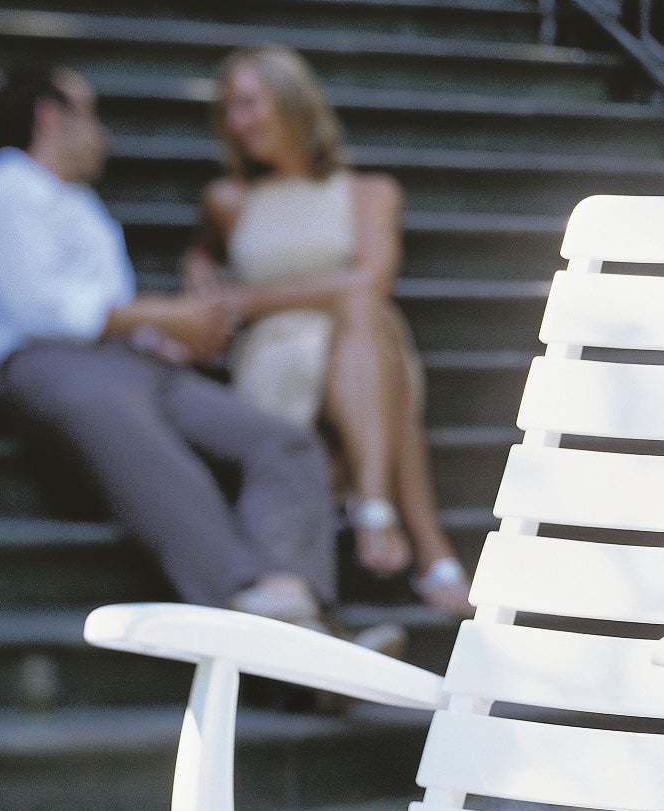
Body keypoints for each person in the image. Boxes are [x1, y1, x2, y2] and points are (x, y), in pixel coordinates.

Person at [0, 62, 396, 642]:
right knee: (141, 434)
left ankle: (291, 602)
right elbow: (42, 310)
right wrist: (162, 314)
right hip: (44, 365)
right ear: (50, 116)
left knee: (283, 443)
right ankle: (246, 599)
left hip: (128, 363)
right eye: (91, 115)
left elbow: (109, 310)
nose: (102, 134)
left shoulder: (82, 206)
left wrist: (167, 336)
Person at [182, 46, 472, 616]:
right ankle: (413, 535)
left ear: (291, 102)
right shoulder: (228, 201)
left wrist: (253, 299)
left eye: (248, 103)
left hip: (358, 348)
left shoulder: (370, 193)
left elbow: (372, 278)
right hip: (276, 362)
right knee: (370, 338)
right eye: (227, 111)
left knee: (365, 316)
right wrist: (201, 276)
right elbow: (205, 276)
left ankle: (373, 510)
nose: (237, 122)